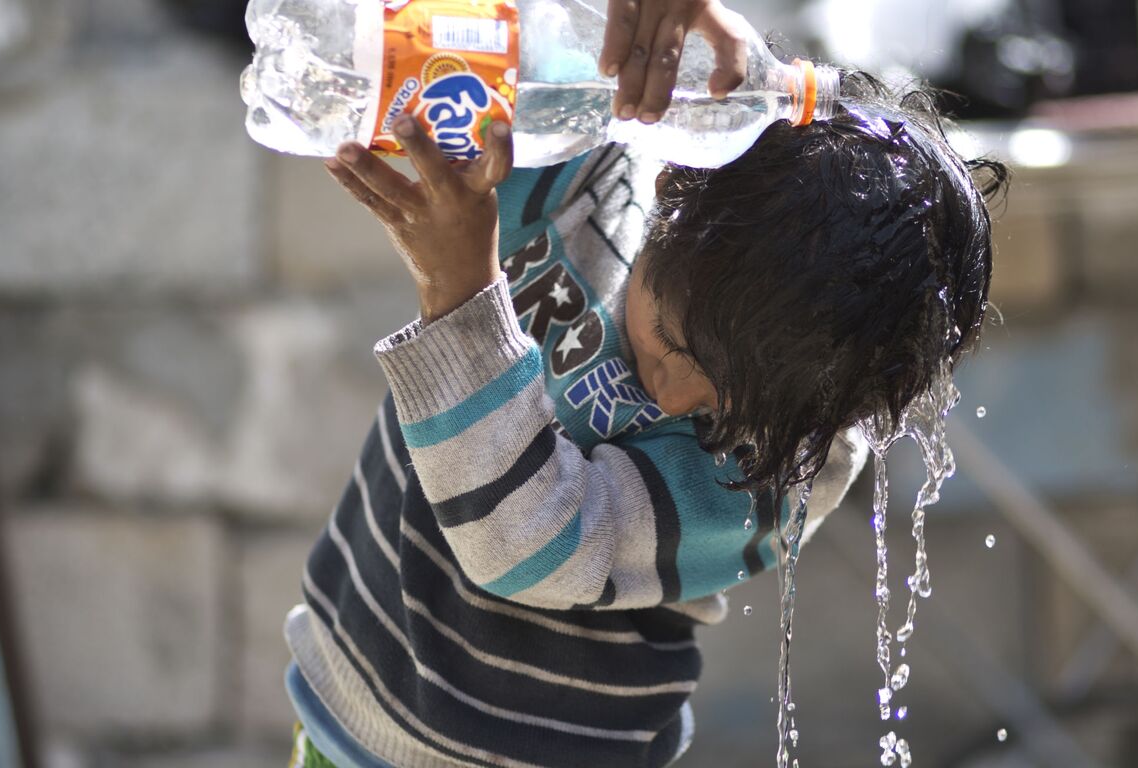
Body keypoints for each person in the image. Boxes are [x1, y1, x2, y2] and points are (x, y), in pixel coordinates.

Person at [283, 2, 1008, 764]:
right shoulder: (588, 162)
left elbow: (528, 541)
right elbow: (495, 30)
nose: (673, 401)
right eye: (669, 343)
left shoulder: (791, 463)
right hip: (345, 685)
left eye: (727, 409)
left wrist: (462, 298)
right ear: (672, 186)